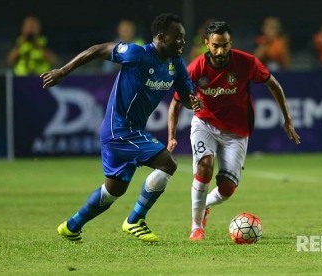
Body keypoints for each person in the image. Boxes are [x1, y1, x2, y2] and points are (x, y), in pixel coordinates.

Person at [41, 13, 201, 243]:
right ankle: (135, 220)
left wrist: (193, 101)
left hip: (129, 131)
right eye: (177, 38)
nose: (182, 43)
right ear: (161, 37)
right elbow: (97, 49)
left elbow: (186, 96)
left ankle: (71, 226)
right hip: (119, 130)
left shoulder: (175, 64)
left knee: (113, 190)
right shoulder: (137, 54)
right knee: (167, 163)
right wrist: (62, 72)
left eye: (183, 38)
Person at [167, 21, 300, 241]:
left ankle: (205, 204)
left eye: (225, 45)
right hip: (205, 124)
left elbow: (274, 85)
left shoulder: (246, 62)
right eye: (216, 46)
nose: (220, 51)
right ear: (207, 44)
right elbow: (175, 103)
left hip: (236, 131)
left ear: (231, 44)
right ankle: (196, 227)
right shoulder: (196, 68)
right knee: (205, 167)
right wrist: (171, 137)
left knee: (227, 188)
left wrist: (288, 120)